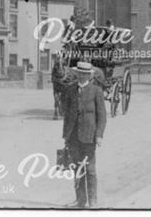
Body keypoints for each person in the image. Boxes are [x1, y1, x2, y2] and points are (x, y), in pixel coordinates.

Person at [61, 61, 106, 208]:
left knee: (90, 169)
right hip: (73, 136)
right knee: (77, 169)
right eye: (79, 73)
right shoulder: (70, 90)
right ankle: (80, 200)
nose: (81, 76)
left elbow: (102, 116)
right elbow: (67, 114)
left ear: (89, 75)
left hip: (89, 136)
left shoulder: (96, 91)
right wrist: (66, 135)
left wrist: (99, 135)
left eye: (84, 74)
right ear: (76, 74)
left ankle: (93, 201)